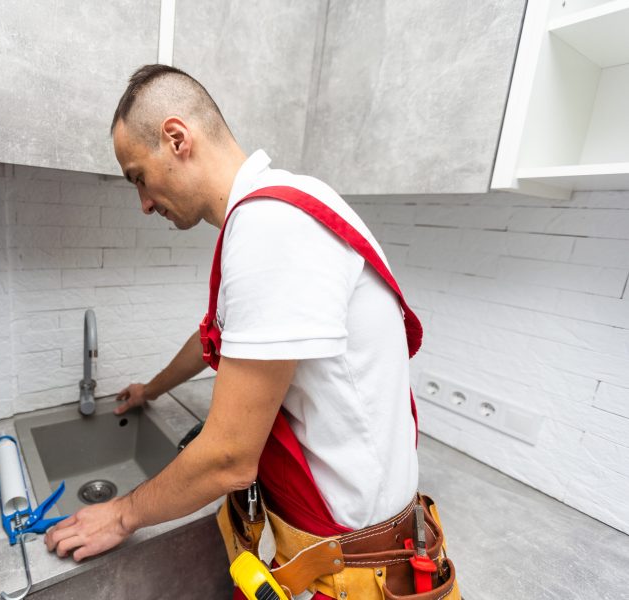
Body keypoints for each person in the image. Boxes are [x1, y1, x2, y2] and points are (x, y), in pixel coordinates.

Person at [45, 64, 454, 599]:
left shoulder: (270, 230)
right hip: (343, 544)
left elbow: (227, 459)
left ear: (176, 138)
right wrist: (152, 389)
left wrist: (122, 515)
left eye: (138, 177)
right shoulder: (283, 204)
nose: (143, 203)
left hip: (349, 566)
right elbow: (219, 336)